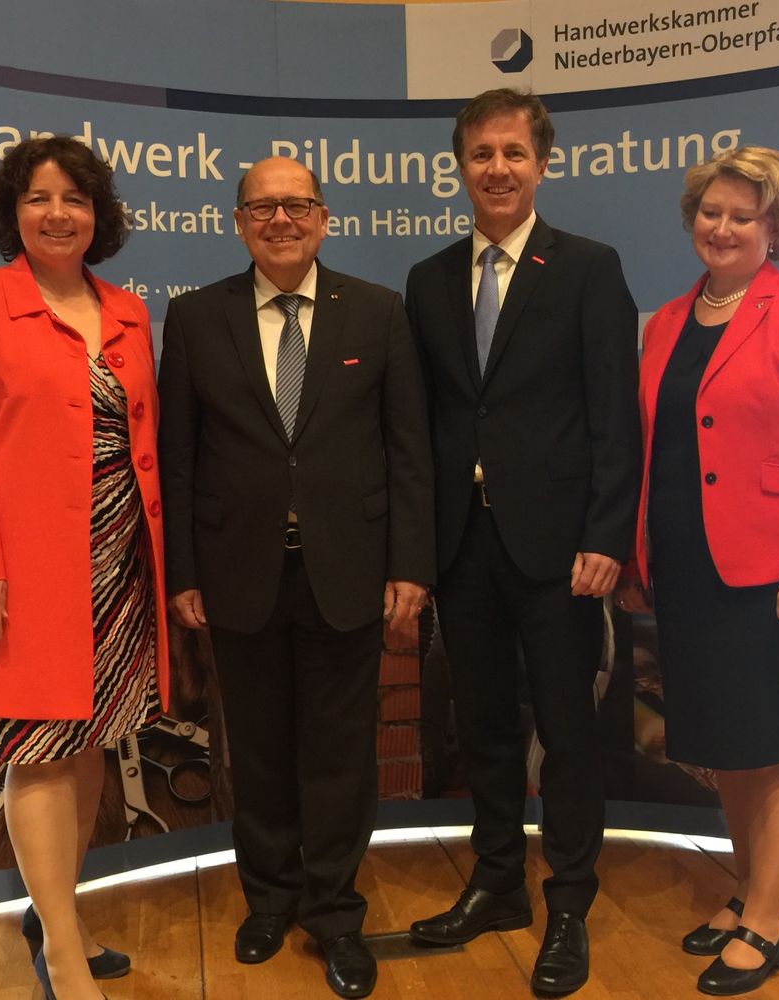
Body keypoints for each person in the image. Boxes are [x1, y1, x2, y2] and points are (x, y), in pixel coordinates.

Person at [157, 156, 435, 1000]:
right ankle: (269, 900)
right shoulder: (195, 317)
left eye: (298, 205)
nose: (281, 220)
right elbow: (178, 457)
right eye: (263, 207)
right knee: (259, 751)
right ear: (238, 222)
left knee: (341, 754)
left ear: (323, 218)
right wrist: (184, 573)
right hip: (237, 572)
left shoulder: (378, 311)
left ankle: (336, 914)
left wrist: (410, 566)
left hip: (347, 571)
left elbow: (408, 451)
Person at [405, 89, 641, 997]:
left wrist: (606, 534)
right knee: (484, 726)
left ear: (543, 163)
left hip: (561, 551)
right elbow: (426, 424)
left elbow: (614, 414)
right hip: (462, 546)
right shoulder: (429, 280)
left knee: (568, 731)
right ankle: (499, 882)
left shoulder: (588, 267)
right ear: (459, 167)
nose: (496, 169)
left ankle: (568, 901)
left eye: (513, 152)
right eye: (481, 154)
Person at [0, 136, 169, 1000]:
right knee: (40, 752)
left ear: (98, 215)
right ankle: (63, 955)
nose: (58, 213)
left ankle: (61, 917)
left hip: (119, 567)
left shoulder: (127, 310)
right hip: (23, 576)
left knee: (91, 740)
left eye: (75, 198)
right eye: (38, 198)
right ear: (11, 212)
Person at [616, 146, 779, 996]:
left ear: (775, 228)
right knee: (728, 746)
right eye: (710, 212)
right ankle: (750, 891)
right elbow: (658, 451)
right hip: (688, 569)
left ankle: (767, 915)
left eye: (742, 216)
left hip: (776, 574)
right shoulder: (666, 322)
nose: (721, 227)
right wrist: (641, 556)